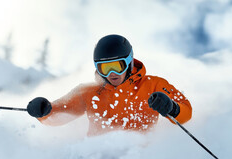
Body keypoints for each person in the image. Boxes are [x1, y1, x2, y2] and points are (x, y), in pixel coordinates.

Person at [27, 34, 192, 136]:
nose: (112, 73)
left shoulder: (153, 85)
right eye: (105, 68)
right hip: (96, 156)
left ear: (128, 63)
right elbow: (60, 113)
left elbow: (186, 113)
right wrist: (43, 111)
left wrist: (171, 107)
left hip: (140, 156)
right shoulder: (88, 92)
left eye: (117, 66)